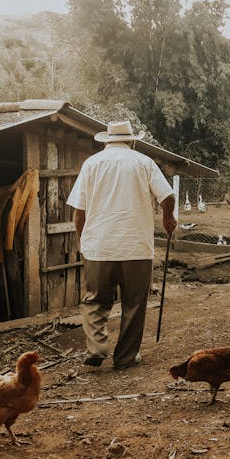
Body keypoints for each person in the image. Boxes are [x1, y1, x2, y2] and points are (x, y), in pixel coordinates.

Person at [66, 120, 177, 370]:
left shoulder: (91, 164)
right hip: (135, 246)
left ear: (106, 140)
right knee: (134, 303)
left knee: (94, 301)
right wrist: (168, 217)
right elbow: (167, 196)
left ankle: (96, 348)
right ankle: (125, 357)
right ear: (132, 141)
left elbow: (79, 211)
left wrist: (83, 242)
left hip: (99, 246)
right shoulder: (144, 163)